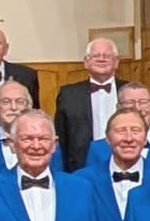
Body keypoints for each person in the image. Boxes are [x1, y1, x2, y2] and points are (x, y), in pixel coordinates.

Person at [52, 38, 122, 170]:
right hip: (80, 166)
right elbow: (61, 137)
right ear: (86, 62)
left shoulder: (131, 91)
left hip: (124, 163)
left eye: (107, 55)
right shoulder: (68, 94)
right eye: (95, 55)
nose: (101, 59)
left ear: (116, 62)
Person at [82, 82, 150, 171]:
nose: (137, 108)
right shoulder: (98, 149)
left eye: (143, 102)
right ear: (118, 108)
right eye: (129, 102)